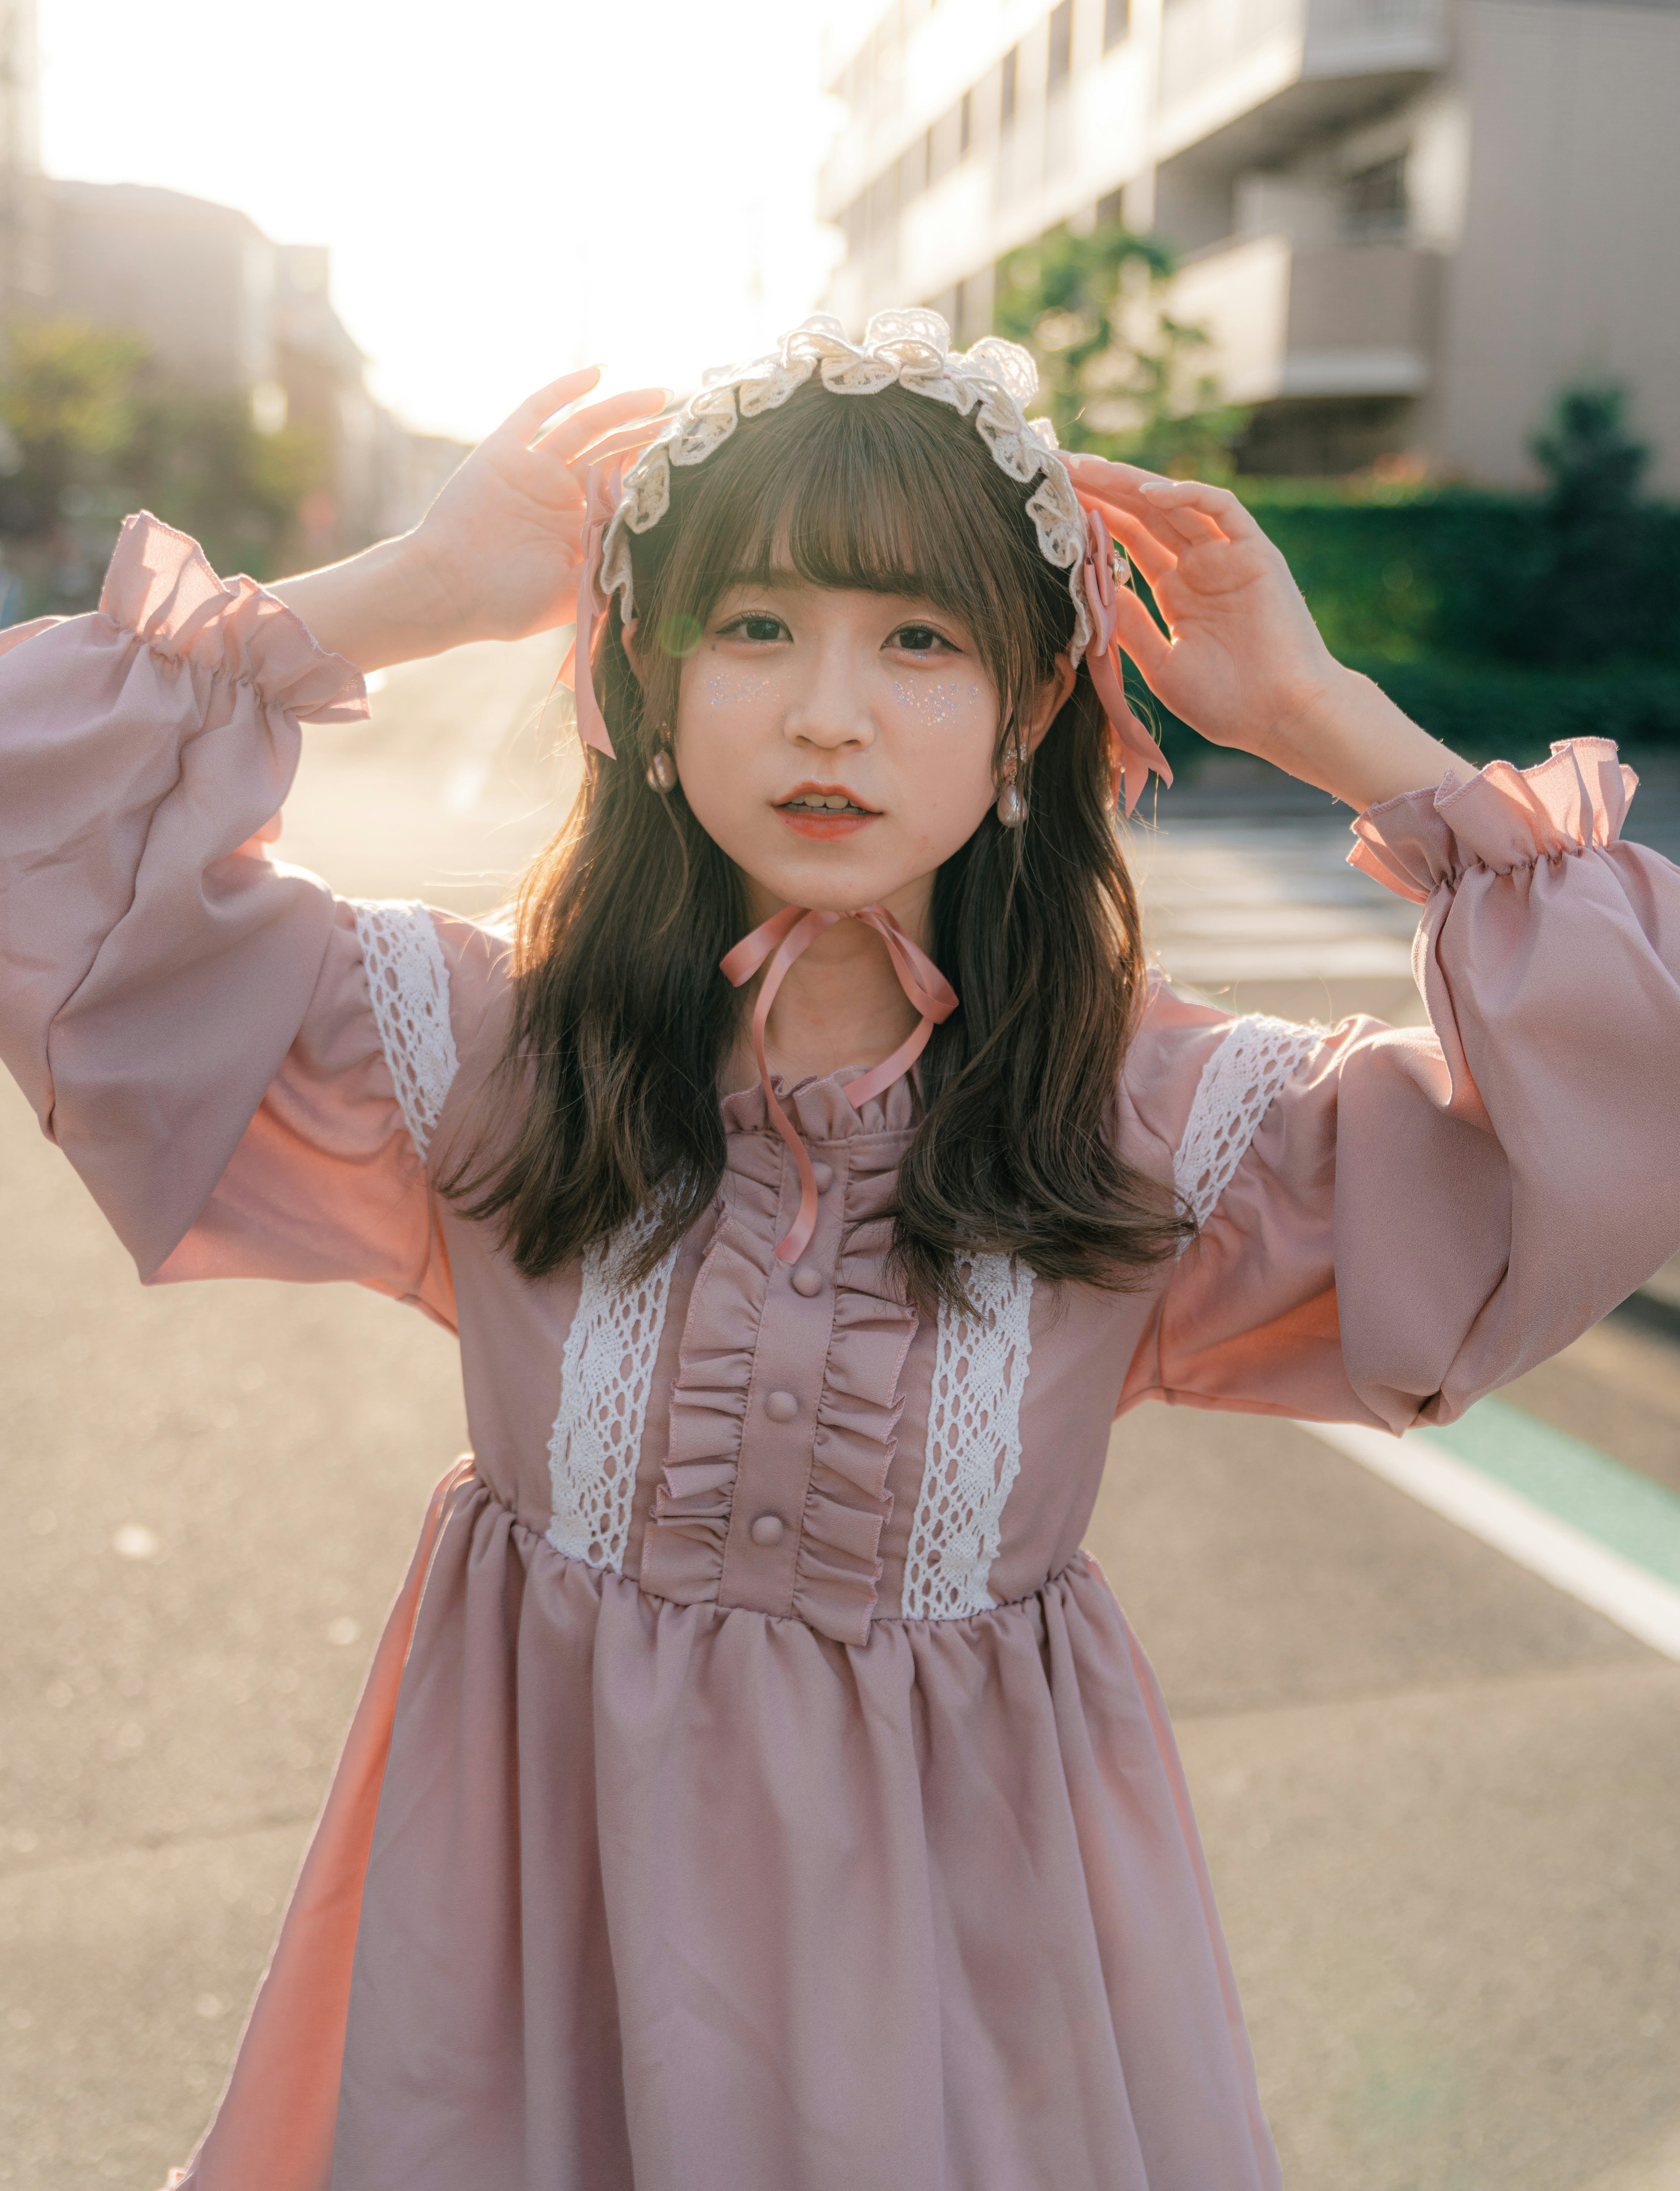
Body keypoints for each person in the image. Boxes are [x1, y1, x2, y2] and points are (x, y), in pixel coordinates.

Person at [2, 310, 1677, 2191]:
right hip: (522, 1979)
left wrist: (1323, 719)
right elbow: (32, 816)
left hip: (967, 2015)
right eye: (754, 626)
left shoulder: (1162, 1119)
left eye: (920, 641)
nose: (827, 711)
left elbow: (1630, 1113)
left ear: (1033, 707)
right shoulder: (480, 1044)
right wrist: (417, 588)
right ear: (646, 677)